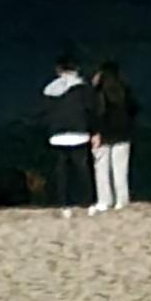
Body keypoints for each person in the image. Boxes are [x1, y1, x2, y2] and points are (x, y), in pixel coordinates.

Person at [42, 56, 95, 215]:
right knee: (83, 172)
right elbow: (91, 111)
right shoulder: (83, 89)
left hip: (57, 136)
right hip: (79, 134)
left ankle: (65, 205)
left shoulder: (50, 90)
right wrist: (93, 130)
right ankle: (88, 203)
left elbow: (45, 113)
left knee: (62, 174)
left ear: (58, 70)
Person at [90, 62, 139, 211]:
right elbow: (134, 109)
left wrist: (95, 132)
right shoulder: (125, 91)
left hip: (104, 134)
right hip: (123, 134)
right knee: (120, 170)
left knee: (102, 169)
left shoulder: (99, 92)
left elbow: (97, 114)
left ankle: (105, 200)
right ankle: (121, 200)